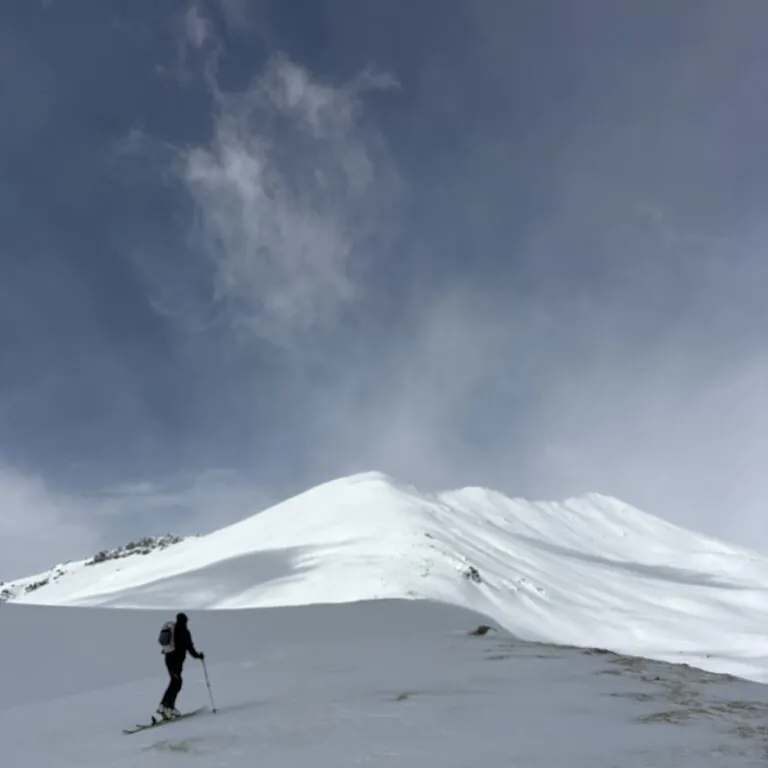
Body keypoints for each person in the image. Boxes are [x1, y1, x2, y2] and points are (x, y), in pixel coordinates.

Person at [157, 612, 205, 719]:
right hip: (176, 662)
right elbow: (190, 649)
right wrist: (199, 656)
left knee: (175, 682)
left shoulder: (173, 629)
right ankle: (168, 707)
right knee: (176, 683)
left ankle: (164, 706)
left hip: (168, 659)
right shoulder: (184, 632)